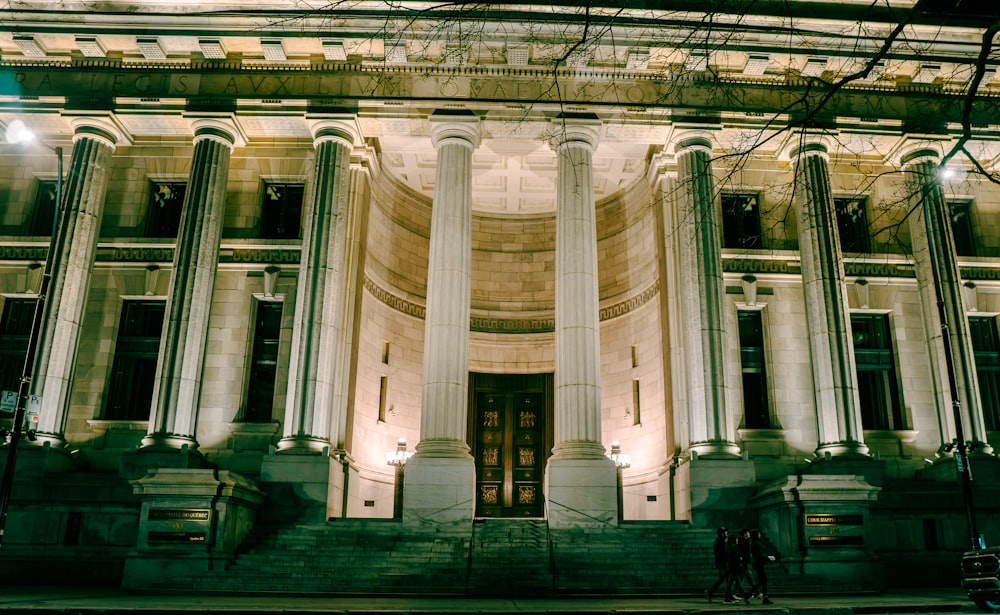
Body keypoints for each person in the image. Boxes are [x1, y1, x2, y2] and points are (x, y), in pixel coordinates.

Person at [748, 528, 776, 605]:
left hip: (757, 564)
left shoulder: (754, 543)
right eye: (759, 534)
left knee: (763, 581)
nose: (760, 535)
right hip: (759, 564)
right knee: (763, 580)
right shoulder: (757, 543)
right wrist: (769, 558)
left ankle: (764, 597)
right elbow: (761, 555)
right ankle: (750, 593)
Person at [723, 534, 749, 605]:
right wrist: (740, 560)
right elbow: (736, 559)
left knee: (736, 583)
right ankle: (726, 598)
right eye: (736, 539)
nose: (737, 540)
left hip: (731, 568)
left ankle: (744, 598)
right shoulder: (735, 547)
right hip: (734, 568)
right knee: (730, 583)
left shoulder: (728, 547)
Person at [705, 527, 728, 601]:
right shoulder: (721, 542)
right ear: (722, 533)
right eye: (725, 532)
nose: (727, 533)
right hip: (722, 563)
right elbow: (723, 553)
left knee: (722, 579)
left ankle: (710, 592)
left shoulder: (719, 541)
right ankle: (729, 596)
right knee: (726, 579)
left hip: (720, 562)